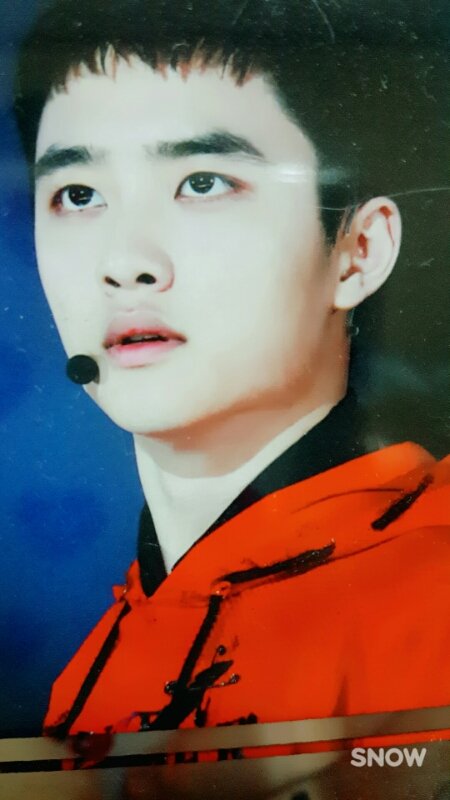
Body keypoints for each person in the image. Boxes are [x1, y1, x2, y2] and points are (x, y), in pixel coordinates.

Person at [13, 0, 449, 768]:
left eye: (203, 182)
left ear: (359, 250)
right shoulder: (94, 675)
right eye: (78, 195)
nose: (125, 262)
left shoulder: (429, 598)